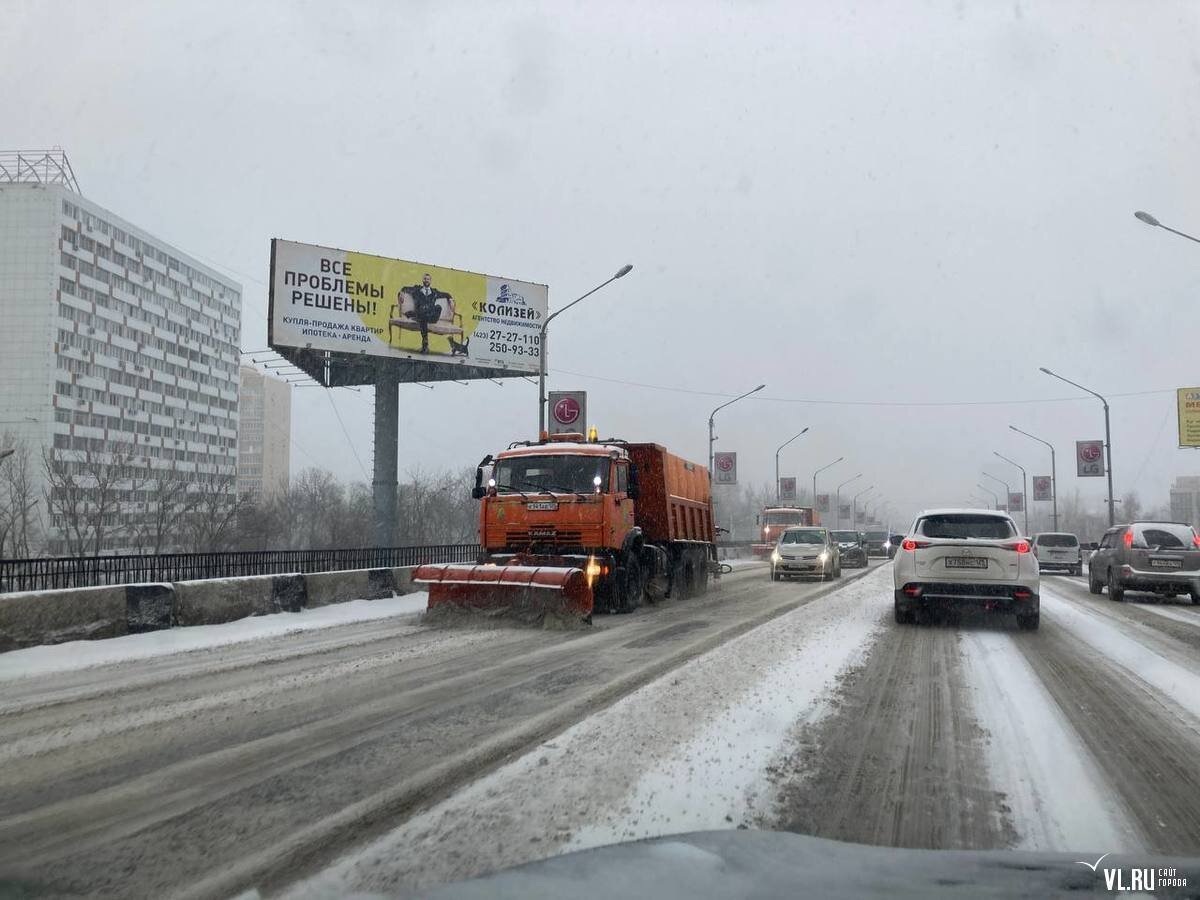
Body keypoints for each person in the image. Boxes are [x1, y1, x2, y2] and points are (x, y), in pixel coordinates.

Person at [403, 273, 452, 353]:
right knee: (423, 316)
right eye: (425, 279)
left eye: (428, 279)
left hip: (431, 317)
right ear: (423, 280)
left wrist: (450, 300)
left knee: (438, 307)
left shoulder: (435, 292)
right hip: (422, 316)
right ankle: (425, 344)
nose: (426, 280)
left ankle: (415, 314)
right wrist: (402, 293)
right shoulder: (416, 290)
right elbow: (405, 288)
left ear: (430, 281)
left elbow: (446, 294)